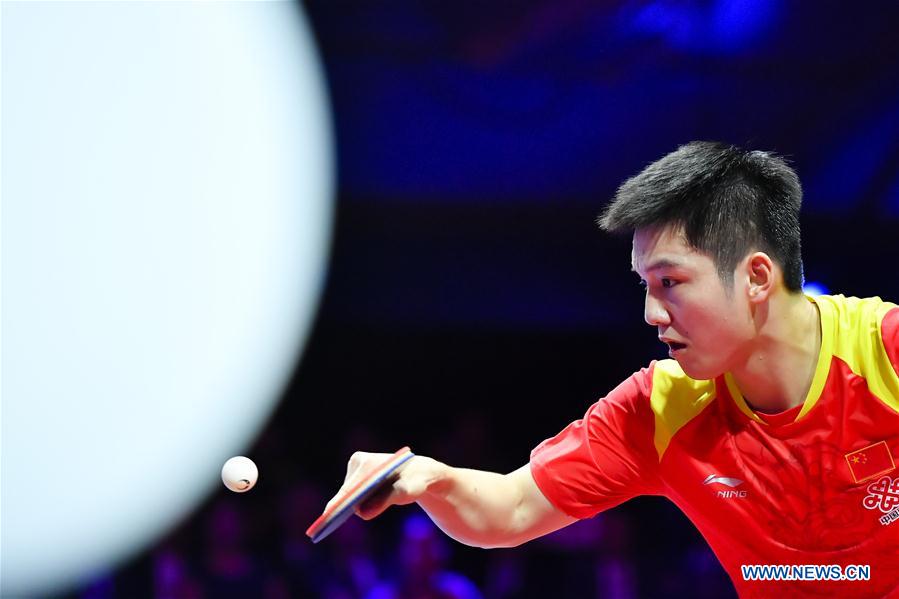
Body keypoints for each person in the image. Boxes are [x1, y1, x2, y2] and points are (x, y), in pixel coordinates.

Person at [329, 142, 899, 598]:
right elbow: (511, 509)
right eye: (645, 287)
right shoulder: (661, 408)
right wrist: (436, 479)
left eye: (670, 283)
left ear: (754, 276)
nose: (651, 314)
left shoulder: (886, 353)